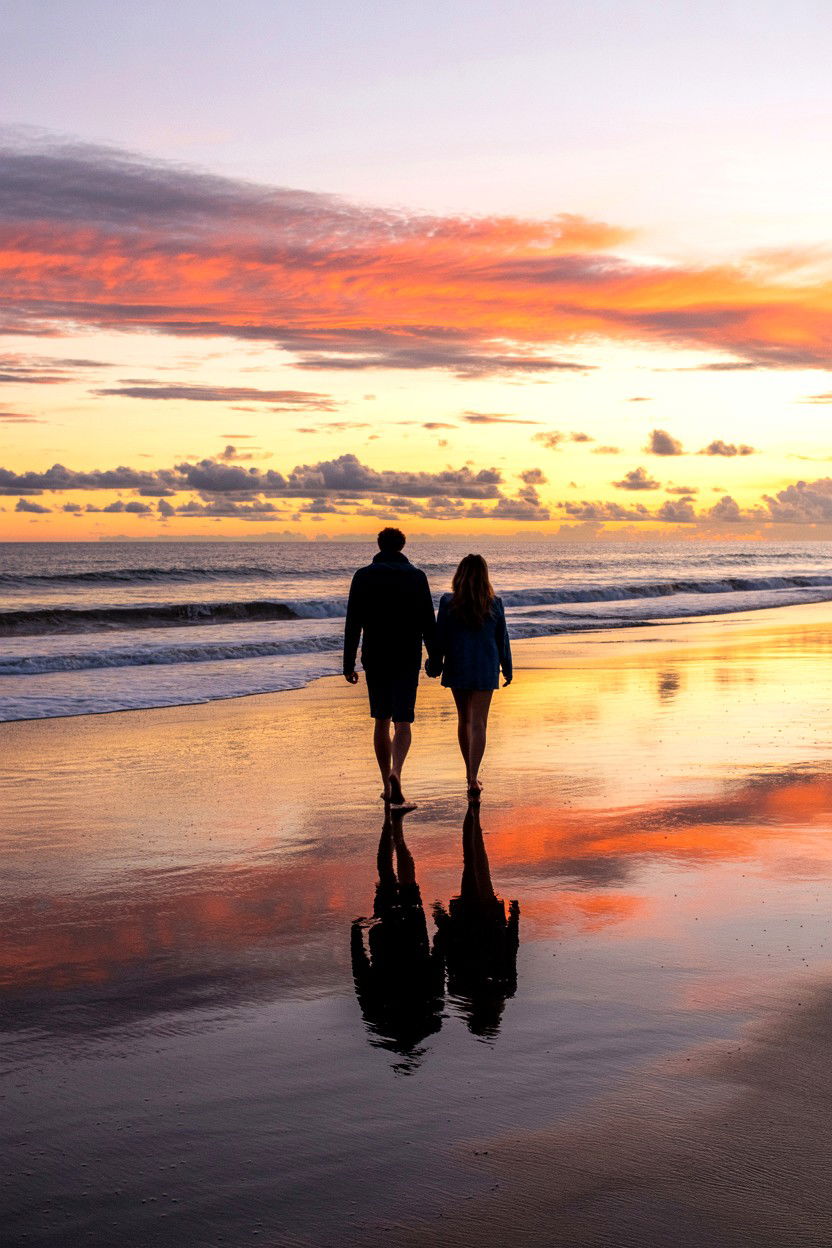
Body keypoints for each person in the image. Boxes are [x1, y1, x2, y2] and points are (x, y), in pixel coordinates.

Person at [343, 527, 437, 810]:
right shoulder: (417, 577)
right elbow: (427, 621)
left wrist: (348, 662)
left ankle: (387, 784)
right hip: (407, 655)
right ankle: (397, 771)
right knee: (403, 720)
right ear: (402, 546)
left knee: (381, 719)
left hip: (376, 655)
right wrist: (436, 658)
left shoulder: (363, 576)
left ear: (379, 545)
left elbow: (353, 622)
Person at [425, 553, 511, 799]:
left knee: (464, 720)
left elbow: (440, 638)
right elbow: (502, 639)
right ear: (485, 576)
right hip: (485, 665)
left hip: (458, 664)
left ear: (459, 575)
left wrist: (434, 665)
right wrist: (507, 668)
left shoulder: (448, 602)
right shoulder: (494, 603)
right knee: (479, 722)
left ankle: (469, 775)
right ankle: (473, 777)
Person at [433, 802, 520, 1039]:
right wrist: (440, 918)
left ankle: (474, 813)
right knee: (472, 864)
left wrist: (514, 916)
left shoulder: (505, 988)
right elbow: (449, 949)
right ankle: (473, 814)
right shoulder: (460, 989)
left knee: (478, 865)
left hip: (488, 918)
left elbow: (511, 947)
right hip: (468, 916)